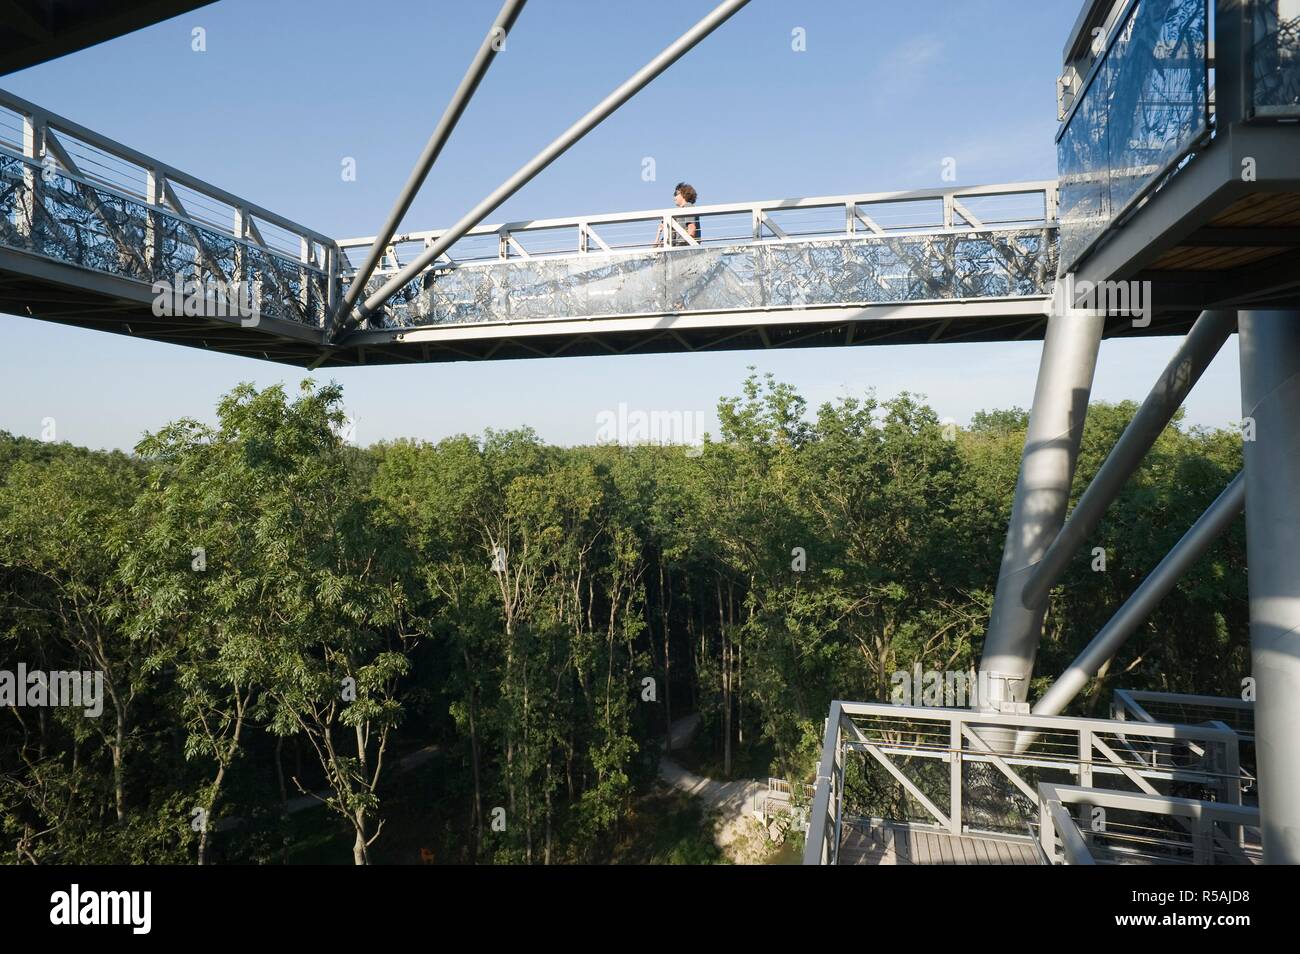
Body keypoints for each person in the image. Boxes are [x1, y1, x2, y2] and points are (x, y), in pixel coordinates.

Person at [655, 182, 701, 247]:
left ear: (684, 194)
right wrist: (659, 232)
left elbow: (691, 227)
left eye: (676, 194)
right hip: (677, 247)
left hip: (683, 246)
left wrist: (691, 246)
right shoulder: (678, 213)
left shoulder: (688, 206)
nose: (674, 197)